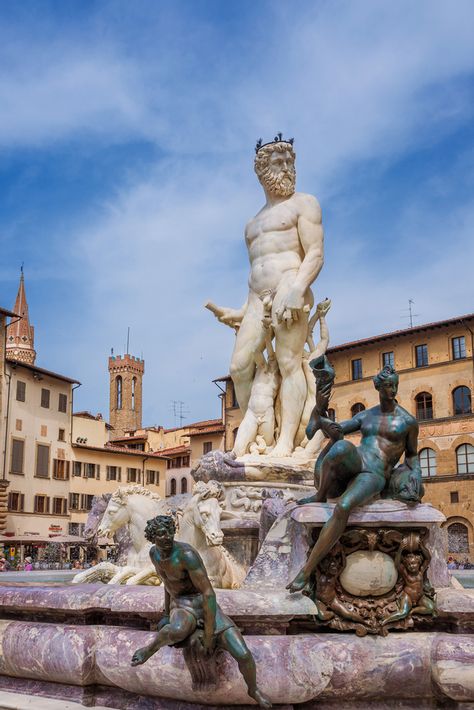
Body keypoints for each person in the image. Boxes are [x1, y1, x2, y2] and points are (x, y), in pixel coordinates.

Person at [208, 136, 324, 457]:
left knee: (288, 363)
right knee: (240, 366)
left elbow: (315, 253)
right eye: (278, 163)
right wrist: (241, 310)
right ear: (262, 171)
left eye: (290, 163)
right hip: (257, 299)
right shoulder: (252, 225)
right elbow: (257, 272)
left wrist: (297, 289)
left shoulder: (305, 203)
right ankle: (261, 434)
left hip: (292, 289)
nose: (287, 169)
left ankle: (286, 441)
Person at [288, 364, 423, 594]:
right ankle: (319, 495)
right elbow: (339, 430)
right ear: (378, 387)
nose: (392, 390)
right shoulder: (366, 415)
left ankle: (306, 570)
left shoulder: (407, 422)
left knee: (343, 507)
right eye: (388, 386)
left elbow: (412, 456)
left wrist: (416, 476)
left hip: (375, 473)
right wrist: (320, 412)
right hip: (358, 459)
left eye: (394, 386)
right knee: (340, 446)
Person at [131, 515, 271, 708]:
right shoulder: (154, 554)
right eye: (162, 534)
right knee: (178, 630)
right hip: (182, 605)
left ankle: (253, 689)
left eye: (170, 532)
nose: (168, 537)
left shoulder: (186, 555)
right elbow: (167, 584)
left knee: (244, 654)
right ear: (152, 537)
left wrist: (208, 633)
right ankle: (147, 651)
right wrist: (165, 614)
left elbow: (208, 593)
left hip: (204, 603)